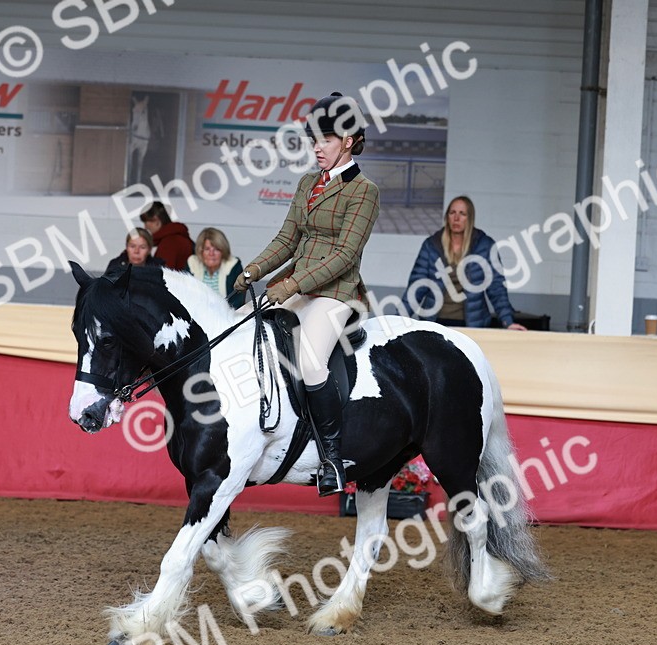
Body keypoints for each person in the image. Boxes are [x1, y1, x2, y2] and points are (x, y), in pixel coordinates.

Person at [234, 92, 379, 496]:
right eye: (314, 139)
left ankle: (331, 458)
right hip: (296, 285)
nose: (317, 147)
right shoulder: (307, 184)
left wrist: (291, 285)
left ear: (348, 141)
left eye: (326, 140)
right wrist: (254, 270)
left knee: (312, 363)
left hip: (336, 292)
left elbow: (346, 254)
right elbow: (287, 238)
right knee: (250, 334)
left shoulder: (363, 191)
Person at [401, 196, 527, 330]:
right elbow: (416, 287)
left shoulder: (485, 246)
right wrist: (398, 321)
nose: (456, 218)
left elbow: (496, 288)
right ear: (447, 217)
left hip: (472, 324)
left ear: (470, 218)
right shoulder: (431, 245)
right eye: (452, 213)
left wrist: (508, 321)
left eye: (462, 214)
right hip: (435, 323)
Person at [187, 227, 245, 309]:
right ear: (200, 251)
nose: (211, 254)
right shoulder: (192, 263)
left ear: (223, 251)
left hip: (226, 316)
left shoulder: (233, 266)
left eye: (216, 249)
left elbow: (237, 301)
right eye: (207, 249)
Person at [140, 201, 194, 271]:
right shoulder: (177, 237)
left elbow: (163, 275)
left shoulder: (169, 243)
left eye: (146, 222)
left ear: (156, 220)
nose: (145, 227)